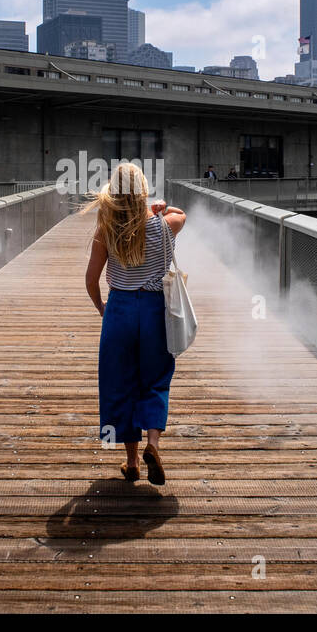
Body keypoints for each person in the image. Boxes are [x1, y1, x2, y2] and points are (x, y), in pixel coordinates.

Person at [82, 163, 186, 486]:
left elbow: (91, 279)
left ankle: (131, 462)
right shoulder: (162, 225)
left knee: (121, 383)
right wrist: (159, 208)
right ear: (143, 192)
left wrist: (102, 306)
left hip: (120, 310)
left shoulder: (106, 229)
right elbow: (181, 214)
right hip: (154, 309)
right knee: (155, 378)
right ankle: (153, 445)